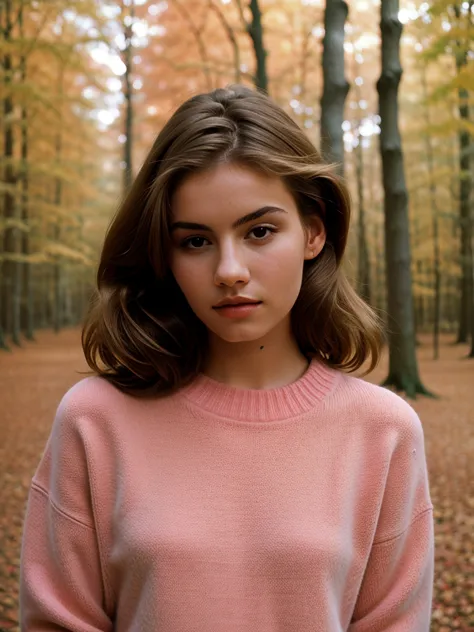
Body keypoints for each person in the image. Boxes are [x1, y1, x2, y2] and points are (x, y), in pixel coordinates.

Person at [19, 85, 434, 631]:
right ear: (164, 255)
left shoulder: (384, 432)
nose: (229, 269)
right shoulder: (94, 420)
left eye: (259, 231)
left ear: (314, 232)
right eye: (195, 241)